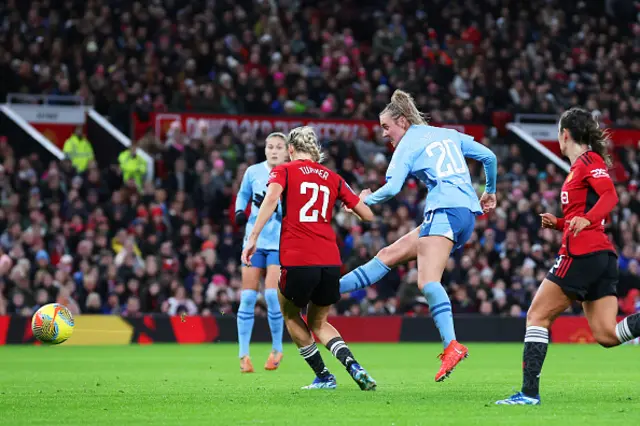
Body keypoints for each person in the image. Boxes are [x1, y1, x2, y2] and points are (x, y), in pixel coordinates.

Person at [343, 89, 497, 382]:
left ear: (402, 121)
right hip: (462, 214)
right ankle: (329, 291)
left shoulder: (408, 144)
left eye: (387, 127)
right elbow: (489, 156)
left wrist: (361, 201)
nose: (385, 134)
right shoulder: (448, 133)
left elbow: (391, 189)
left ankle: (452, 345)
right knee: (389, 254)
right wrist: (490, 190)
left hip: (445, 211)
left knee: (427, 281)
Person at [495, 108, 640, 405]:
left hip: (582, 253)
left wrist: (585, 219)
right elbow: (582, 214)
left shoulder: (589, 161)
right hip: (600, 256)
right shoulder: (578, 167)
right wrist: (560, 223)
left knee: (537, 315)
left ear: (565, 134)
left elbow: (609, 196)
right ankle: (528, 393)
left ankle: (528, 394)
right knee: (607, 335)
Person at [241, 126, 377, 391]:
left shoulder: (284, 170)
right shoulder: (333, 177)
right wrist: (358, 201)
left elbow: (270, 199)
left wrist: (253, 236)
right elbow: (368, 215)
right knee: (319, 322)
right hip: (329, 261)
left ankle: (324, 377)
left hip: (298, 257)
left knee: (290, 313)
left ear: (290, 149)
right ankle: (354, 367)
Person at [234, 132, 288, 373]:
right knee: (246, 297)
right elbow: (243, 194)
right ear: (264, 150)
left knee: (271, 296)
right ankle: (243, 355)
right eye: (270, 147)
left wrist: (275, 208)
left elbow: (290, 209)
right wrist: (239, 211)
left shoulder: (290, 173)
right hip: (253, 242)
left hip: (278, 243)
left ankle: (277, 349)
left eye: (278, 147)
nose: (274, 151)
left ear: (287, 151)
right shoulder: (253, 172)